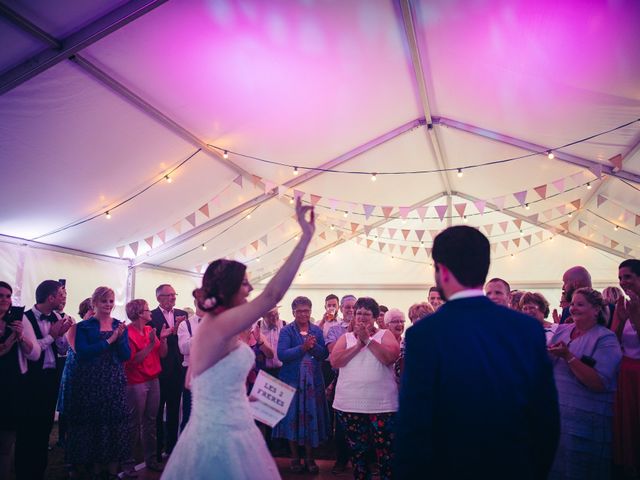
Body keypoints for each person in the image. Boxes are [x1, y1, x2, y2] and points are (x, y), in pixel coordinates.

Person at [161, 197, 314, 479]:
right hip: (219, 436)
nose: (250, 288)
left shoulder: (218, 326)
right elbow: (272, 295)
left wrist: (235, 395)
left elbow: (190, 380)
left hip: (236, 424)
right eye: (245, 283)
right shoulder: (218, 324)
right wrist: (305, 238)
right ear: (229, 286)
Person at [396, 225, 559, 479]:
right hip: (514, 467)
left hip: (447, 469)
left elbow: (414, 424)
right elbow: (545, 416)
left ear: (443, 271)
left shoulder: (423, 334)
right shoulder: (527, 328)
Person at [548, 287, 622, 479]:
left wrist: (568, 356)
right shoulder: (563, 331)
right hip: (559, 417)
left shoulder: (606, 338)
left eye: (580, 304)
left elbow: (599, 382)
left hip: (587, 419)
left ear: (596, 309)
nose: (573, 308)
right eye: (572, 304)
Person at [330, 297, 400, 480]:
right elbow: (335, 361)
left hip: (382, 405)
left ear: (376, 317)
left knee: (386, 452)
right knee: (358, 453)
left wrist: (367, 340)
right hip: (350, 404)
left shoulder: (385, 335)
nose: (361, 317)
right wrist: (358, 345)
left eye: (366, 314)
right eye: (358, 313)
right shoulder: (344, 338)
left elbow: (389, 358)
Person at [66, 286, 131, 479]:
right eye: (104, 301)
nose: (108, 305)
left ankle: (111, 469)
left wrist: (119, 340)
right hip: (90, 382)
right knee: (91, 424)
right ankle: (92, 467)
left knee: (113, 424)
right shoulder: (84, 326)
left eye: (111, 301)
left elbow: (126, 355)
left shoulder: (119, 325)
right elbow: (83, 352)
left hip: (113, 381)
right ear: (94, 303)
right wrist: (110, 340)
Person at [16, 279, 73, 480]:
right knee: (27, 431)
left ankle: (39, 471)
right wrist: (51, 335)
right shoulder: (24, 318)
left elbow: (62, 350)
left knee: (44, 429)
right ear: (50, 298)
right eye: (61, 295)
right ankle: (24, 472)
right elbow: (33, 351)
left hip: (50, 380)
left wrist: (61, 336)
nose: (64, 298)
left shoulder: (58, 316)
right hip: (30, 381)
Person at [273, 296, 329, 474]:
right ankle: (295, 458)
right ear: (293, 312)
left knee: (311, 418)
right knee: (292, 420)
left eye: (306, 311)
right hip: (291, 382)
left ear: (311, 311)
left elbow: (323, 354)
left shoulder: (316, 331)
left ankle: (310, 458)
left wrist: (313, 347)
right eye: (299, 311)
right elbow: (282, 354)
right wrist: (303, 348)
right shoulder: (287, 331)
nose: (303, 314)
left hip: (313, 383)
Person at [124, 299, 170, 474]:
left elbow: (163, 354)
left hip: (154, 380)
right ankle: (128, 465)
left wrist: (163, 340)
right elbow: (132, 361)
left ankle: (150, 460)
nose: (150, 312)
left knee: (150, 422)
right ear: (138, 313)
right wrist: (151, 344)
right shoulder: (127, 333)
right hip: (136, 382)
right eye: (147, 309)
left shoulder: (150, 330)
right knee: (133, 423)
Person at [0, 281, 40, 480]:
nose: (5, 300)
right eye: (0, 296)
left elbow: (35, 354)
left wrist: (21, 337)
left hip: (10, 386)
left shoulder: (18, 319)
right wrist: (8, 341)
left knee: (6, 442)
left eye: (8, 296)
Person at [149, 284, 188, 461]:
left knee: (173, 410)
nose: (173, 298)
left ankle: (172, 449)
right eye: (169, 295)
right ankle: (156, 450)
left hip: (179, 368)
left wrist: (180, 327)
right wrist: (170, 332)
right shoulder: (151, 316)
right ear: (159, 298)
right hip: (159, 368)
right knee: (157, 411)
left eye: (174, 294)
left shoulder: (183, 314)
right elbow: (152, 340)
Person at [56, 297, 93, 479]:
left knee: (89, 423)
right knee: (75, 422)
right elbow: (73, 350)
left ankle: (86, 459)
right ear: (86, 311)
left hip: (92, 379)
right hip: (76, 377)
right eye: (93, 309)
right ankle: (72, 462)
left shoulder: (99, 327)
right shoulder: (76, 327)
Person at [612, 259, 640, 478]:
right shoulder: (623, 305)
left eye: (627, 277)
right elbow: (613, 342)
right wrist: (621, 320)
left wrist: (636, 318)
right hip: (625, 374)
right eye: (620, 278)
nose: (623, 282)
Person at [325, 294, 356, 475]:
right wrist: (350, 333)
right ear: (341, 309)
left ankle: (363, 459)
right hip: (341, 379)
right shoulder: (334, 330)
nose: (350, 310)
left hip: (362, 378)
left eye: (354, 307)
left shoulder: (368, 328)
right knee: (342, 422)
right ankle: (342, 459)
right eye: (347, 307)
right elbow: (334, 353)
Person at [177, 300, 204, 431]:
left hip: (211, 371)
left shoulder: (217, 323)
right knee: (189, 413)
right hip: (190, 372)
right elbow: (183, 348)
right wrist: (202, 333)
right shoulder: (185, 324)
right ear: (196, 302)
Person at [384, 308, 406, 383]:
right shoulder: (382, 343)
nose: (400, 324)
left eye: (402, 321)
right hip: (387, 384)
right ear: (387, 325)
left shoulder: (408, 342)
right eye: (396, 321)